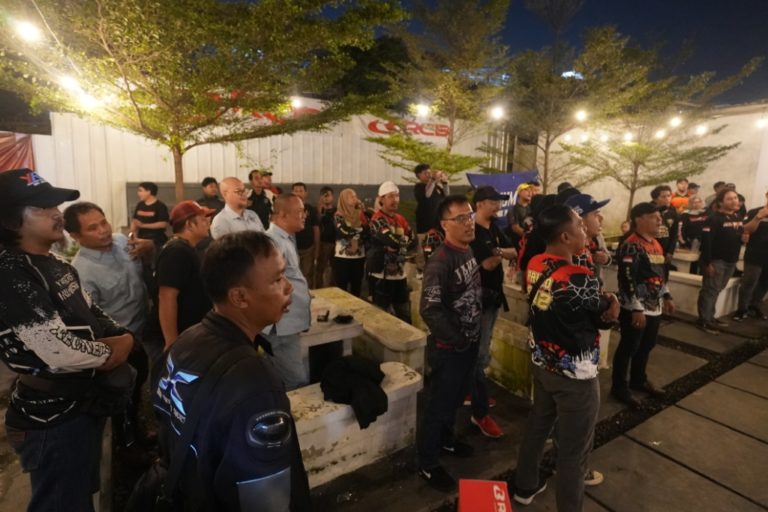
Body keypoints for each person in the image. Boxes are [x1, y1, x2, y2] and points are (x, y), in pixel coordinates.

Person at [0, 168, 134, 512]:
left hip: (80, 407)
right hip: (51, 420)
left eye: (54, 205)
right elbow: (56, 348)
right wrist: (112, 353)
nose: (57, 213)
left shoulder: (56, 264)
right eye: (43, 208)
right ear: (12, 220)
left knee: (79, 497)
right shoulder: (10, 272)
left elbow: (93, 311)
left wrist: (122, 335)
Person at [153, 231, 312, 511]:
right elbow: (266, 500)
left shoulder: (185, 342)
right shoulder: (255, 384)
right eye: (277, 280)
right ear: (239, 296)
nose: (289, 288)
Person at [513, 204, 618, 510]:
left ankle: (525, 486)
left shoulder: (535, 262)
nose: (585, 229)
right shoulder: (578, 276)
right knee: (574, 454)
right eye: (580, 226)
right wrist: (613, 304)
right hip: (576, 377)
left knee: (538, 426)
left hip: (543, 363)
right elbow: (603, 317)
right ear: (565, 237)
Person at [65, 201, 154, 449]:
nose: (103, 230)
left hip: (142, 333)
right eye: (92, 228)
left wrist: (149, 249)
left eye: (103, 222)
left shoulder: (123, 242)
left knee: (137, 386)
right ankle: (125, 445)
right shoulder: (81, 272)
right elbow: (92, 322)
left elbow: (145, 268)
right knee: (119, 397)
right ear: (75, 236)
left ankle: (135, 428)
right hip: (119, 346)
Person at [417, 195, 482, 492]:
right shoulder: (440, 262)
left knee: (455, 401)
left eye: (470, 215)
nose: (469, 222)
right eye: (461, 218)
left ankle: (446, 441)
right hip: (449, 349)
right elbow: (429, 310)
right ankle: (427, 462)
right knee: (438, 405)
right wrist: (457, 340)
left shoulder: (467, 251)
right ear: (445, 225)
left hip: (468, 344)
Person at [612, 202, 675, 408]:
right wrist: (636, 307)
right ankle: (619, 387)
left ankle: (639, 380)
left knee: (647, 345)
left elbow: (660, 274)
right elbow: (626, 279)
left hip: (654, 306)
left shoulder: (656, 244)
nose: (660, 220)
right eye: (654, 216)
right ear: (639, 219)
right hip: (635, 308)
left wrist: (667, 296)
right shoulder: (631, 245)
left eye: (660, 217)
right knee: (629, 347)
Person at [466, 186, 516, 439]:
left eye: (499, 201)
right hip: (477, 300)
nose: (498, 206)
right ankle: (479, 410)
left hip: (493, 297)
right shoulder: (471, 230)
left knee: (479, 350)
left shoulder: (495, 227)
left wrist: (497, 252)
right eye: (494, 201)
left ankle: (472, 391)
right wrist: (499, 254)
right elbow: (486, 264)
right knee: (480, 353)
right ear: (480, 204)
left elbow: (513, 251)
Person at [148, 201, 215, 361]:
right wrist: (171, 342)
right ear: (189, 224)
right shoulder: (177, 251)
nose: (208, 223)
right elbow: (166, 297)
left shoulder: (185, 249)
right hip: (174, 340)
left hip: (188, 337)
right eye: (203, 219)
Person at [264, 193, 312, 390]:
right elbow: (269, 282)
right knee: (296, 383)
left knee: (284, 377)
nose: (304, 215)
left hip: (288, 325)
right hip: (282, 327)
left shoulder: (285, 238)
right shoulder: (272, 241)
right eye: (299, 211)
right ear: (283, 215)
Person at [367, 181, 416, 323]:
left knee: (404, 314)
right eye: (390, 196)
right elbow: (390, 240)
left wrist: (400, 244)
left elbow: (413, 241)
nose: (395, 200)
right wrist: (402, 242)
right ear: (381, 199)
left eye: (397, 196)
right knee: (381, 316)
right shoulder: (377, 219)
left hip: (400, 275)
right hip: (381, 276)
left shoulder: (400, 218)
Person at [697, 189, 744, 334]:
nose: (734, 201)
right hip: (717, 261)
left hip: (731, 260)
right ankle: (704, 321)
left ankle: (710, 317)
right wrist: (707, 263)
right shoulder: (713, 219)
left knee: (716, 290)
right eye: (729, 199)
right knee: (710, 291)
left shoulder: (737, 216)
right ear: (720, 202)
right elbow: (706, 242)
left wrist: (743, 239)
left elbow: (737, 237)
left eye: (735, 198)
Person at [734, 191, 768, 321]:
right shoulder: (755, 212)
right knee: (749, 282)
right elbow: (744, 229)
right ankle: (741, 310)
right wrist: (758, 217)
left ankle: (754, 306)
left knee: (765, 283)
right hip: (755, 254)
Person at [414, 163, 449, 276]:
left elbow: (447, 196)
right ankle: (420, 270)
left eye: (429, 172)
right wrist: (433, 180)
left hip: (437, 223)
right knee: (423, 246)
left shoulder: (436, 187)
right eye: (425, 173)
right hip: (424, 222)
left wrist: (445, 183)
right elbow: (427, 194)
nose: (428, 175)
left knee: (438, 246)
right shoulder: (419, 187)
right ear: (418, 175)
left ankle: (437, 267)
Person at [333, 188, 369, 297]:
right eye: (351, 196)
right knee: (341, 288)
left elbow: (367, 230)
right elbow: (343, 231)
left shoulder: (362, 214)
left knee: (356, 287)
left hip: (359, 257)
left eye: (355, 196)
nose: (355, 198)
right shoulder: (338, 215)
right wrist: (358, 232)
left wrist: (364, 212)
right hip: (342, 257)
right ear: (344, 199)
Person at [291, 182, 320, 287]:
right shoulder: (288, 209)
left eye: (301, 191)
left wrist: (317, 248)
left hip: (308, 249)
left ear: (306, 193)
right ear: (292, 193)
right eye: (296, 191)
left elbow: (316, 229)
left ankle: (307, 294)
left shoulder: (310, 209)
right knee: (292, 275)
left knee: (307, 274)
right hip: (292, 248)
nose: (298, 193)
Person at [131, 181, 169, 251]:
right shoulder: (140, 205)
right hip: (140, 239)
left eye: (140, 191)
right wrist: (133, 235)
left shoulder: (160, 206)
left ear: (148, 191)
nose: (138, 193)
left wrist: (143, 225)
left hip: (156, 241)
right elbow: (135, 221)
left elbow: (163, 224)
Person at [650, 185, 679, 272]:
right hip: (650, 250)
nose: (667, 199)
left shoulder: (673, 212)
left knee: (663, 275)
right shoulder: (648, 211)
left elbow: (674, 234)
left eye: (669, 196)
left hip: (665, 251)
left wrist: (670, 252)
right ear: (655, 199)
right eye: (663, 196)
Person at [315, 186, 336, 288]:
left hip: (335, 242)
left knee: (335, 268)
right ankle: (318, 289)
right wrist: (319, 211)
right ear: (321, 197)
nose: (327, 198)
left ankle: (333, 288)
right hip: (323, 242)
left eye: (329, 195)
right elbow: (316, 223)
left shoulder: (337, 210)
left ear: (333, 197)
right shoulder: (317, 210)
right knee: (321, 268)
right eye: (324, 195)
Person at [506, 182, 534, 250]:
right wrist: (532, 237)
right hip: (520, 246)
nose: (530, 193)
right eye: (526, 190)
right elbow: (516, 229)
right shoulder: (513, 211)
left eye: (530, 191)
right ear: (519, 193)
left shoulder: (532, 208)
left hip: (531, 245)